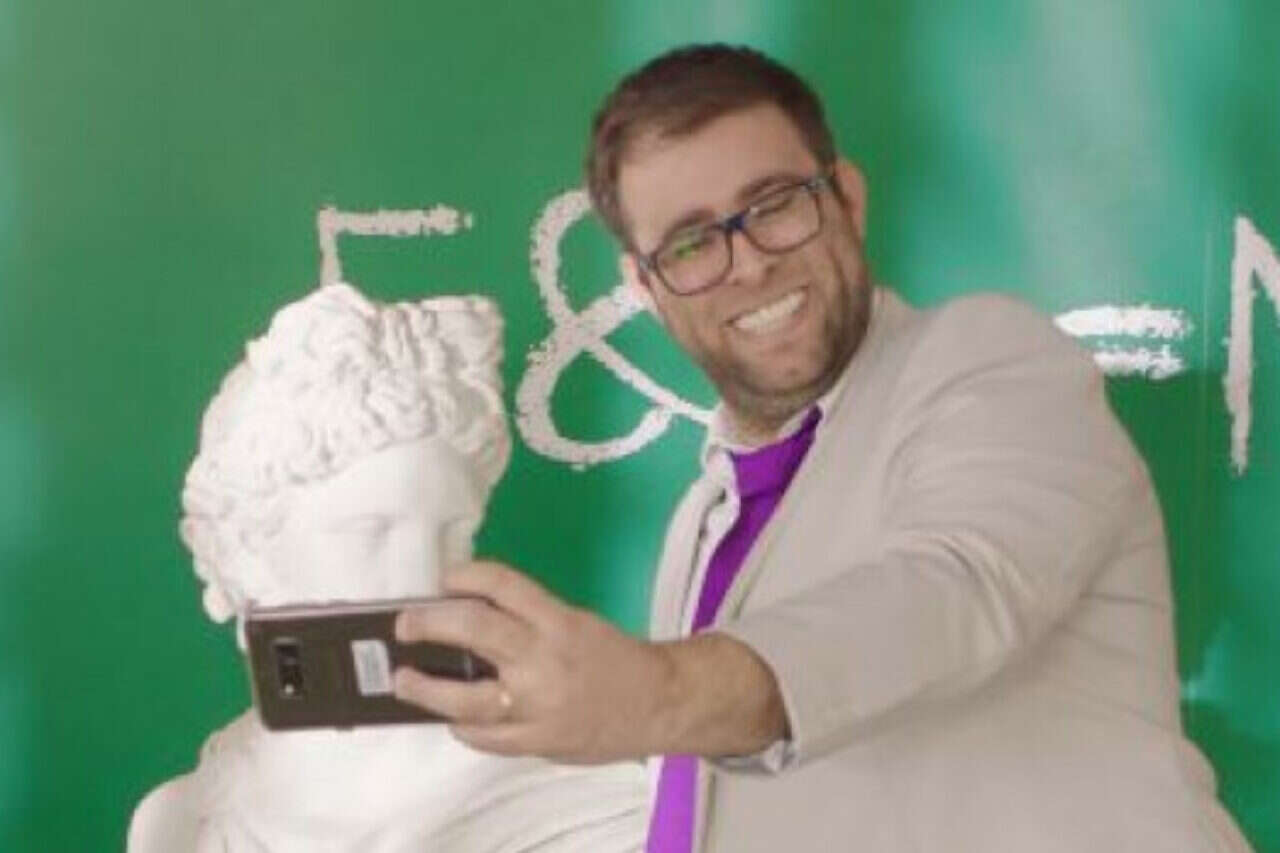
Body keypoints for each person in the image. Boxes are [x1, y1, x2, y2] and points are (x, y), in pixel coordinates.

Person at [392, 45, 1251, 851]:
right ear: (644, 287)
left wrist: (656, 691)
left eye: (774, 206)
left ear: (846, 197)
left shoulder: (991, 360)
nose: (747, 264)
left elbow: (953, 591)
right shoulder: (702, 522)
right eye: (690, 243)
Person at [128, 282, 647, 853]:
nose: (424, 577)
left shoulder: (593, 805)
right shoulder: (186, 824)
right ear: (250, 557)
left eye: (454, 533)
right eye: (369, 532)